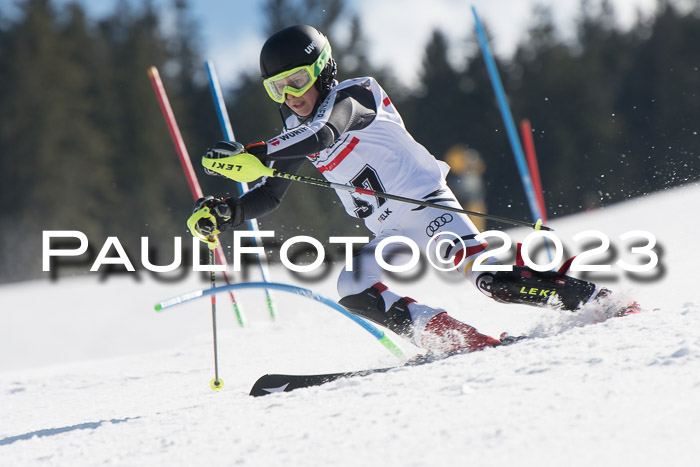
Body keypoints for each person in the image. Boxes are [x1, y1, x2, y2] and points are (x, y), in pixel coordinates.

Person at [188, 25, 636, 355]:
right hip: (388, 232)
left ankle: (605, 302)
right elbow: (269, 195)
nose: (290, 97)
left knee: (491, 281)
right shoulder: (292, 128)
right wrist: (226, 213)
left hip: (426, 206)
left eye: (297, 81)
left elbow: (327, 132)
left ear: (323, 71)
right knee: (353, 285)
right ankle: (457, 338)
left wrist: (260, 150)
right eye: (277, 88)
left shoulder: (355, 95)